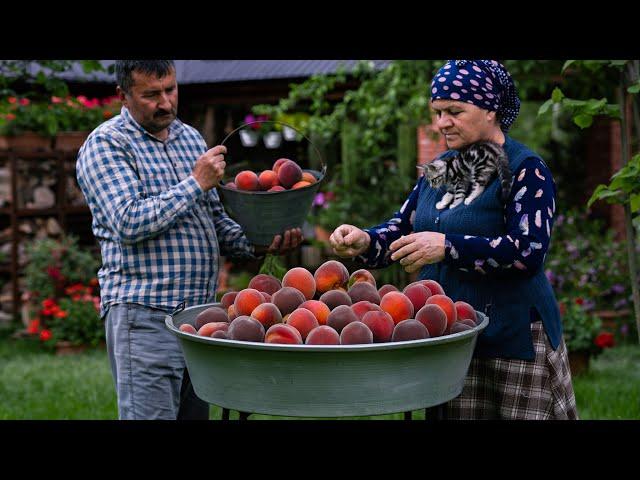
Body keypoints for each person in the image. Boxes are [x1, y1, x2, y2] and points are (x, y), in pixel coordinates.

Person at [329, 60, 578, 420]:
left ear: (490, 109)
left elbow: (528, 251)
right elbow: (404, 227)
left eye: (454, 111)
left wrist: (447, 246)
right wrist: (366, 241)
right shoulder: (439, 169)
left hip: (512, 337)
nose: (442, 122)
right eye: (438, 112)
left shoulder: (526, 169)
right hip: (449, 337)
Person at [76, 60, 302, 420]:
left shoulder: (190, 139)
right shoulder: (106, 145)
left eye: (170, 89)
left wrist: (260, 243)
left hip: (199, 319)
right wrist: (195, 183)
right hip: (144, 316)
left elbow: (213, 219)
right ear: (123, 95)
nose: (165, 102)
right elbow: (128, 221)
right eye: (151, 94)